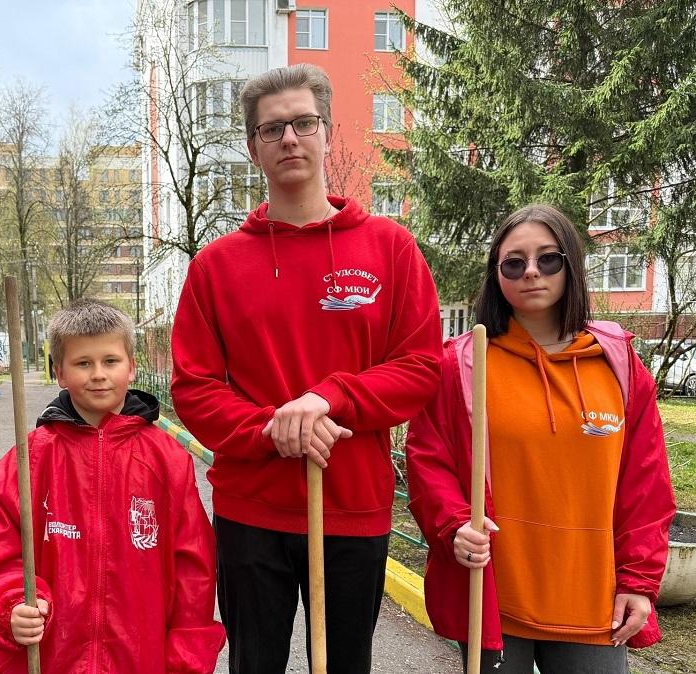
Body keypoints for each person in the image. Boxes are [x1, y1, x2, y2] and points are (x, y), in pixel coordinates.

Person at [169, 63, 443, 673]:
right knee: (254, 665)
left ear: (326, 131)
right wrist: (275, 428)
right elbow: (195, 387)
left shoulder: (389, 248)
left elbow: (421, 366)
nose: (289, 138)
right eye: (272, 130)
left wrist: (327, 399)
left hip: (353, 508)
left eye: (302, 123)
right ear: (253, 149)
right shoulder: (215, 266)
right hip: (251, 513)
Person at [404, 204, 676, 673]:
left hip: (592, 604)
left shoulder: (620, 366)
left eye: (548, 259)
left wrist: (639, 581)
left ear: (571, 264)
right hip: (495, 599)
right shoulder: (462, 366)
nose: (531, 272)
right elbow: (429, 460)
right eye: (514, 263)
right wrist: (453, 526)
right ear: (497, 275)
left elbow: (645, 486)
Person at [0, 299, 225, 674]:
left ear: (132, 368)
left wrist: (185, 657)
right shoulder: (29, 460)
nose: (98, 374)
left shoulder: (167, 459)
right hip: (52, 659)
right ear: (60, 373)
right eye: (83, 363)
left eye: (110, 361)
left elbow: (193, 568)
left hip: (141, 658)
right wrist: (10, 604)